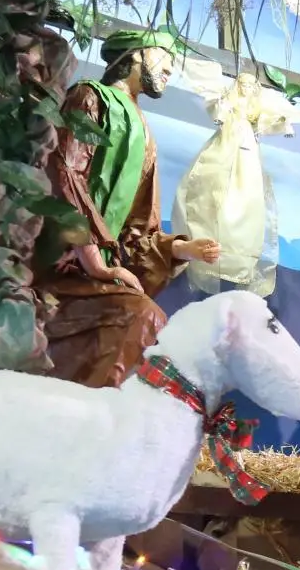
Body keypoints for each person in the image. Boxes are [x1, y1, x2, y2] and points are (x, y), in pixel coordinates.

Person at [39, 29, 222, 387]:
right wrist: (92, 258)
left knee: (143, 326)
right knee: (143, 319)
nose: (170, 67)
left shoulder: (145, 133)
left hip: (98, 269)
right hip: (57, 262)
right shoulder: (90, 97)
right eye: (164, 55)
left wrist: (179, 248)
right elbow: (65, 174)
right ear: (136, 53)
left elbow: (138, 229)